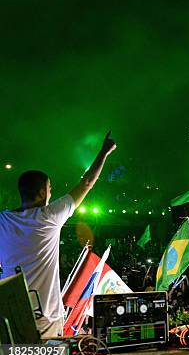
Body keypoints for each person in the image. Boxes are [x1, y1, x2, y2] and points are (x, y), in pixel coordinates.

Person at [0, 132, 117, 338]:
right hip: (45, 317)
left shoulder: (3, 220)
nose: (52, 193)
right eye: (50, 188)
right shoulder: (49, 217)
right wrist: (104, 152)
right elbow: (87, 182)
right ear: (42, 193)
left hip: (10, 313)